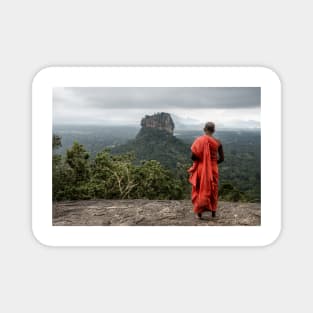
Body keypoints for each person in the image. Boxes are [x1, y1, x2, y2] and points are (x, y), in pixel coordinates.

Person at [187, 122, 224, 219]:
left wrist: (203, 161)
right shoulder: (218, 142)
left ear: (204, 129)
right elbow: (222, 158)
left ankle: (199, 213)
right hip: (213, 169)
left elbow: (193, 157)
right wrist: (212, 163)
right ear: (214, 130)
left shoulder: (198, 141)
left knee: (200, 188)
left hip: (201, 168)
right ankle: (213, 213)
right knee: (213, 189)